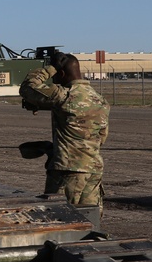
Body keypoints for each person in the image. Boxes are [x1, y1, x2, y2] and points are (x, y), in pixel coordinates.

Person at [19, 53, 110, 209]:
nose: (53, 81)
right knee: (90, 219)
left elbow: (28, 87)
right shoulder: (99, 99)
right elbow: (101, 136)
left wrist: (49, 69)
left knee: (61, 217)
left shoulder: (63, 95)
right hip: (93, 170)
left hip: (68, 171)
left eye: (55, 77)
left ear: (61, 74)